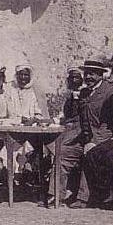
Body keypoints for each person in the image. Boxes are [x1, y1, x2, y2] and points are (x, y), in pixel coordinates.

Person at [70, 57, 113, 209]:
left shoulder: (111, 94)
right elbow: (80, 119)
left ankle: (83, 198)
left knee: (88, 153)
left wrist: (93, 141)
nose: (88, 77)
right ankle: (56, 194)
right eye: (87, 73)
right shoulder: (84, 93)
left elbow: (112, 125)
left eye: (93, 74)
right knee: (64, 151)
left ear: (101, 75)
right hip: (86, 135)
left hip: (106, 135)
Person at [43, 66, 88, 207]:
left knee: (61, 150)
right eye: (72, 78)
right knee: (52, 147)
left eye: (77, 77)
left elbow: (79, 117)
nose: (74, 80)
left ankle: (61, 192)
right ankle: (56, 193)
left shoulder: (85, 94)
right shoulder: (70, 96)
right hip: (70, 129)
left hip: (82, 133)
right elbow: (66, 116)